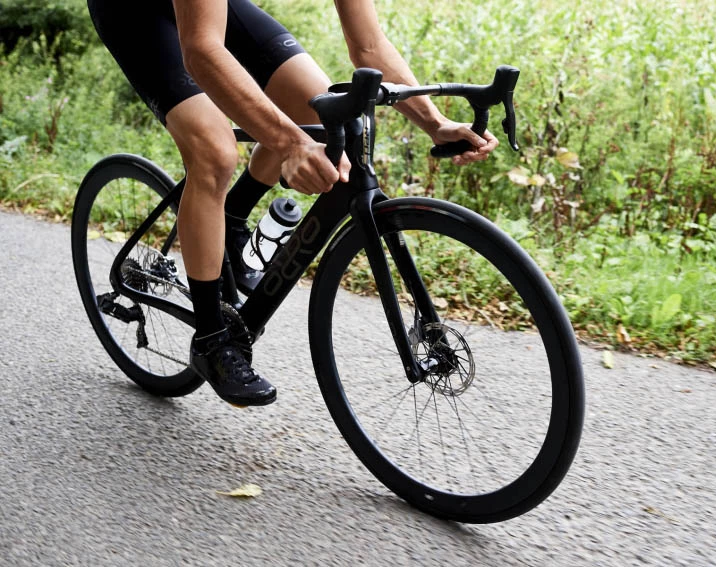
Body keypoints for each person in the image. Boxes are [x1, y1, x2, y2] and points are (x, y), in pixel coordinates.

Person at [86, 0, 498, 407]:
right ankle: (210, 339)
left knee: (320, 112)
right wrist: (290, 144)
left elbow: (369, 45)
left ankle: (231, 217)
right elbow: (201, 52)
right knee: (214, 153)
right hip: (134, 11)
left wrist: (435, 122)